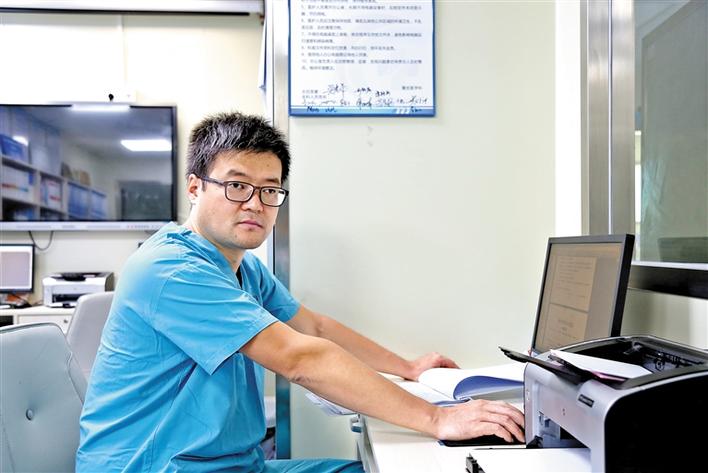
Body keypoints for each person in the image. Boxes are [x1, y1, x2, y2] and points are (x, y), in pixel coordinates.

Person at [76, 112, 524, 473]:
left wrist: (408, 367)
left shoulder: (243, 268)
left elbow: (315, 327)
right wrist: (438, 418)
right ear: (195, 187)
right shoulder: (171, 269)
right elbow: (300, 357)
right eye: (237, 185)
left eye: (269, 190)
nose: (255, 203)